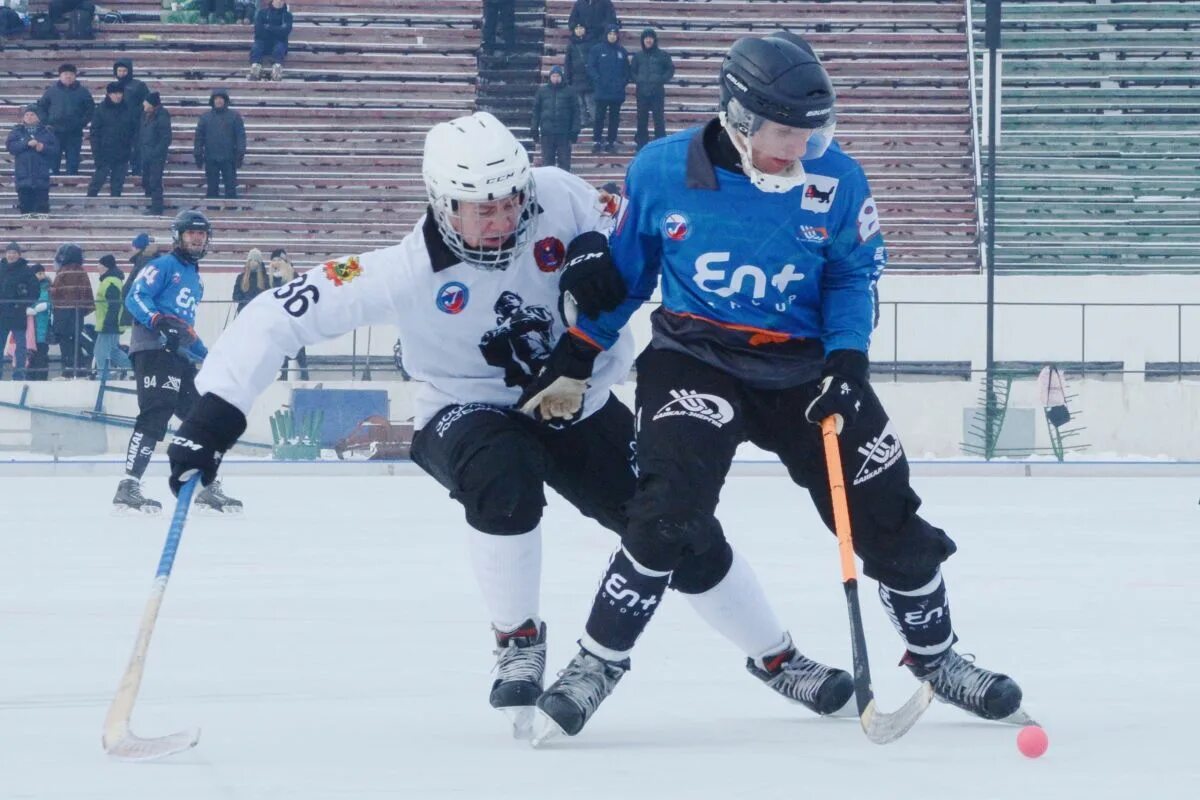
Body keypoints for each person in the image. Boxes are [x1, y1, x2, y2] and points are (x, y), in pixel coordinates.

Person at [164, 111, 854, 740]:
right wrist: (211, 417)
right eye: (479, 209)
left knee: (680, 531)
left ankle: (777, 657)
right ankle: (518, 639)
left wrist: (593, 242)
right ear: (441, 203)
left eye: (509, 201)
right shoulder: (399, 271)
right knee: (504, 479)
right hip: (466, 411)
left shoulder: (557, 192)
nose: (500, 219)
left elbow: (634, 217)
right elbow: (274, 317)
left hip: (575, 404)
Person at [523, 31, 1027, 741]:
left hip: (807, 370)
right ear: (737, 117)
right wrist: (579, 351)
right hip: (696, 357)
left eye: (809, 133)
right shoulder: (664, 169)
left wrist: (849, 361)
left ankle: (938, 659)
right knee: (668, 512)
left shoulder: (837, 178)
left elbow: (852, 274)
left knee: (887, 517)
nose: (797, 149)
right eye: (784, 134)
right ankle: (596, 663)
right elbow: (630, 276)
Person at [115, 210, 243, 514]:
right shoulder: (162, 265)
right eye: (191, 233)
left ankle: (203, 487)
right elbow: (135, 297)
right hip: (153, 349)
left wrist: (210, 358)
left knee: (203, 420)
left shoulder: (196, 281)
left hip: (178, 356)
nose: (197, 239)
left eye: (201, 234)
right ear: (178, 237)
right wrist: (156, 319)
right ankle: (128, 486)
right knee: (156, 413)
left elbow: (186, 331)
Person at [36, 63, 93, 175]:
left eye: (71, 74)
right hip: (54, 132)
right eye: (65, 74)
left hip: (74, 132)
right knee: (53, 159)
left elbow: (90, 109)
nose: (68, 76)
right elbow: (41, 108)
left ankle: (70, 184)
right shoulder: (51, 91)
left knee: (73, 159)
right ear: (60, 76)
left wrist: (81, 123)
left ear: (75, 76)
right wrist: (46, 122)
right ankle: (53, 183)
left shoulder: (83, 92)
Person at [48, 243, 94, 379]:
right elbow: (86, 292)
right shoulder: (82, 271)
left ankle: (68, 371)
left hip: (63, 312)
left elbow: (56, 292)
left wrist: (49, 290)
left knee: (65, 340)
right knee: (75, 340)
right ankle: (79, 370)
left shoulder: (64, 271)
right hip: (78, 311)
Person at [87, 82, 138, 197]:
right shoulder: (101, 109)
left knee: (118, 182)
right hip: (104, 151)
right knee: (98, 180)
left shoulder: (128, 109)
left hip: (123, 151)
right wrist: (96, 151)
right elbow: (94, 133)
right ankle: (89, 202)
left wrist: (131, 147)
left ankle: (115, 205)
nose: (118, 95)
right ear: (109, 94)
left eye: (120, 93)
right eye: (115, 93)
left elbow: (134, 130)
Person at [194, 88, 246, 199]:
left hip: (229, 158)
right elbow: (199, 138)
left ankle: (231, 212)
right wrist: (198, 154)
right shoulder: (205, 117)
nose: (218, 101)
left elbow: (240, 137)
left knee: (231, 188)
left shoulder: (234, 117)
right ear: (212, 101)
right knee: (212, 188)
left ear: (225, 100)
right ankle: (212, 211)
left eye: (221, 98)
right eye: (216, 98)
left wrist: (240, 155)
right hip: (211, 158)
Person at [7, 106, 58, 217]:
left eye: (32, 115)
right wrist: (26, 144)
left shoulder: (47, 132)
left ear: (38, 117)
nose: (29, 117)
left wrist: (43, 148)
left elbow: (55, 150)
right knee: (26, 211)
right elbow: (11, 147)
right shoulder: (17, 131)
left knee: (42, 211)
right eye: (27, 115)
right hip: (23, 177)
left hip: (41, 177)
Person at [266, 248, 309, 380]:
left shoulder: (293, 275)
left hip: (293, 314)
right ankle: (283, 372)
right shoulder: (271, 277)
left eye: (278, 260)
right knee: (281, 344)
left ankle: (304, 371)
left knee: (298, 344)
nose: (276, 262)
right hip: (279, 315)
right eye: (273, 260)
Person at [586, 24, 629, 154]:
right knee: (599, 117)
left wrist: (622, 83)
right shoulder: (597, 49)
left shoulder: (622, 51)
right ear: (606, 35)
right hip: (602, 91)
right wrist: (598, 80)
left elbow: (627, 71)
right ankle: (597, 141)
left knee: (614, 118)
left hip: (617, 92)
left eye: (614, 34)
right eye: (610, 34)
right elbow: (591, 67)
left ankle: (611, 142)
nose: (612, 36)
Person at [630, 28, 674, 151]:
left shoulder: (663, 55)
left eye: (650, 38)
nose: (648, 40)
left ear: (654, 40)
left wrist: (661, 79)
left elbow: (670, 70)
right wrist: (638, 79)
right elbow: (632, 71)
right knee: (641, 118)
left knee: (658, 119)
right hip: (642, 92)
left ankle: (660, 142)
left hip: (657, 92)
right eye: (646, 38)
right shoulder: (638, 56)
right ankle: (641, 143)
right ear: (642, 40)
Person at [0, 241, 38, 380]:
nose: (11, 255)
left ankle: (19, 374)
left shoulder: (26, 270)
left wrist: (24, 304)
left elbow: (35, 290)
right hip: (2, 312)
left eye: (14, 252)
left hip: (17, 312)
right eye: (9, 252)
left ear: (19, 255)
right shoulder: (1, 268)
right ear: (6, 253)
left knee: (21, 345)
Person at [531, 66, 579, 173]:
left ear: (561, 77)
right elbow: (536, 111)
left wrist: (575, 130)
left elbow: (576, 112)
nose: (555, 78)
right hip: (547, 133)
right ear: (550, 77)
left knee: (564, 163)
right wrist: (534, 128)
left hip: (564, 133)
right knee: (547, 163)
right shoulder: (542, 91)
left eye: (557, 76)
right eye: (553, 76)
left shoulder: (570, 91)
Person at [93, 254, 133, 379]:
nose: (97, 266)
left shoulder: (110, 282)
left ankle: (103, 375)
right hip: (111, 322)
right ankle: (134, 368)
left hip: (108, 323)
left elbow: (114, 305)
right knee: (113, 351)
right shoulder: (112, 280)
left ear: (105, 266)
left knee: (100, 351)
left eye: (99, 264)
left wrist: (108, 324)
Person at [134, 92, 172, 216]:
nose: (144, 105)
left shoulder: (162, 116)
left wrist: (155, 153)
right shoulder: (146, 115)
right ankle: (150, 205)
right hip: (145, 154)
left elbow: (166, 138)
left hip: (155, 156)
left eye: (146, 102)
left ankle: (156, 208)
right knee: (147, 181)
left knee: (155, 182)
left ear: (152, 104)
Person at [249, 0, 293, 82]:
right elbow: (259, 31)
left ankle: (276, 70)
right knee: (256, 47)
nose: (280, 1)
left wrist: (269, 27)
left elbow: (285, 31)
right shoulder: (262, 13)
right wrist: (278, 29)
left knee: (280, 47)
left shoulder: (288, 16)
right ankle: (255, 69)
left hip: (279, 42)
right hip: (263, 41)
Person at [564, 23, 596, 131]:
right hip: (576, 78)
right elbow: (567, 63)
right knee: (579, 103)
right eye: (576, 28)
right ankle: (583, 121)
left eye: (581, 28)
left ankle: (595, 120)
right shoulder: (571, 45)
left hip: (589, 78)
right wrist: (567, 77)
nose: (579, 30)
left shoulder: (591, 43)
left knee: (590, 101)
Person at [26, 264, 53, 382]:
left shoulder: (48, 288)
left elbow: (54, 302)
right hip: (30, 327)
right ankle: (30, 378)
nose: (41, 275)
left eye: (42, 272)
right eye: (38, 273)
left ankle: (41, 378)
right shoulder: (27, 287)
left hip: (44, 326)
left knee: (42, 354)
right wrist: (26, 309)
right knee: (30, 356)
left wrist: (47, 305)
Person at [232, 247, 269, 313]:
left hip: (260, 311)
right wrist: (246, 300)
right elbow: (235, 296)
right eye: (251, 260)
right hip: (244, 311)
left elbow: (268, 296)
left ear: (259, 263)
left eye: (255, 260)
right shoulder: (240, 277)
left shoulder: (266, 278)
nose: (253, 262)